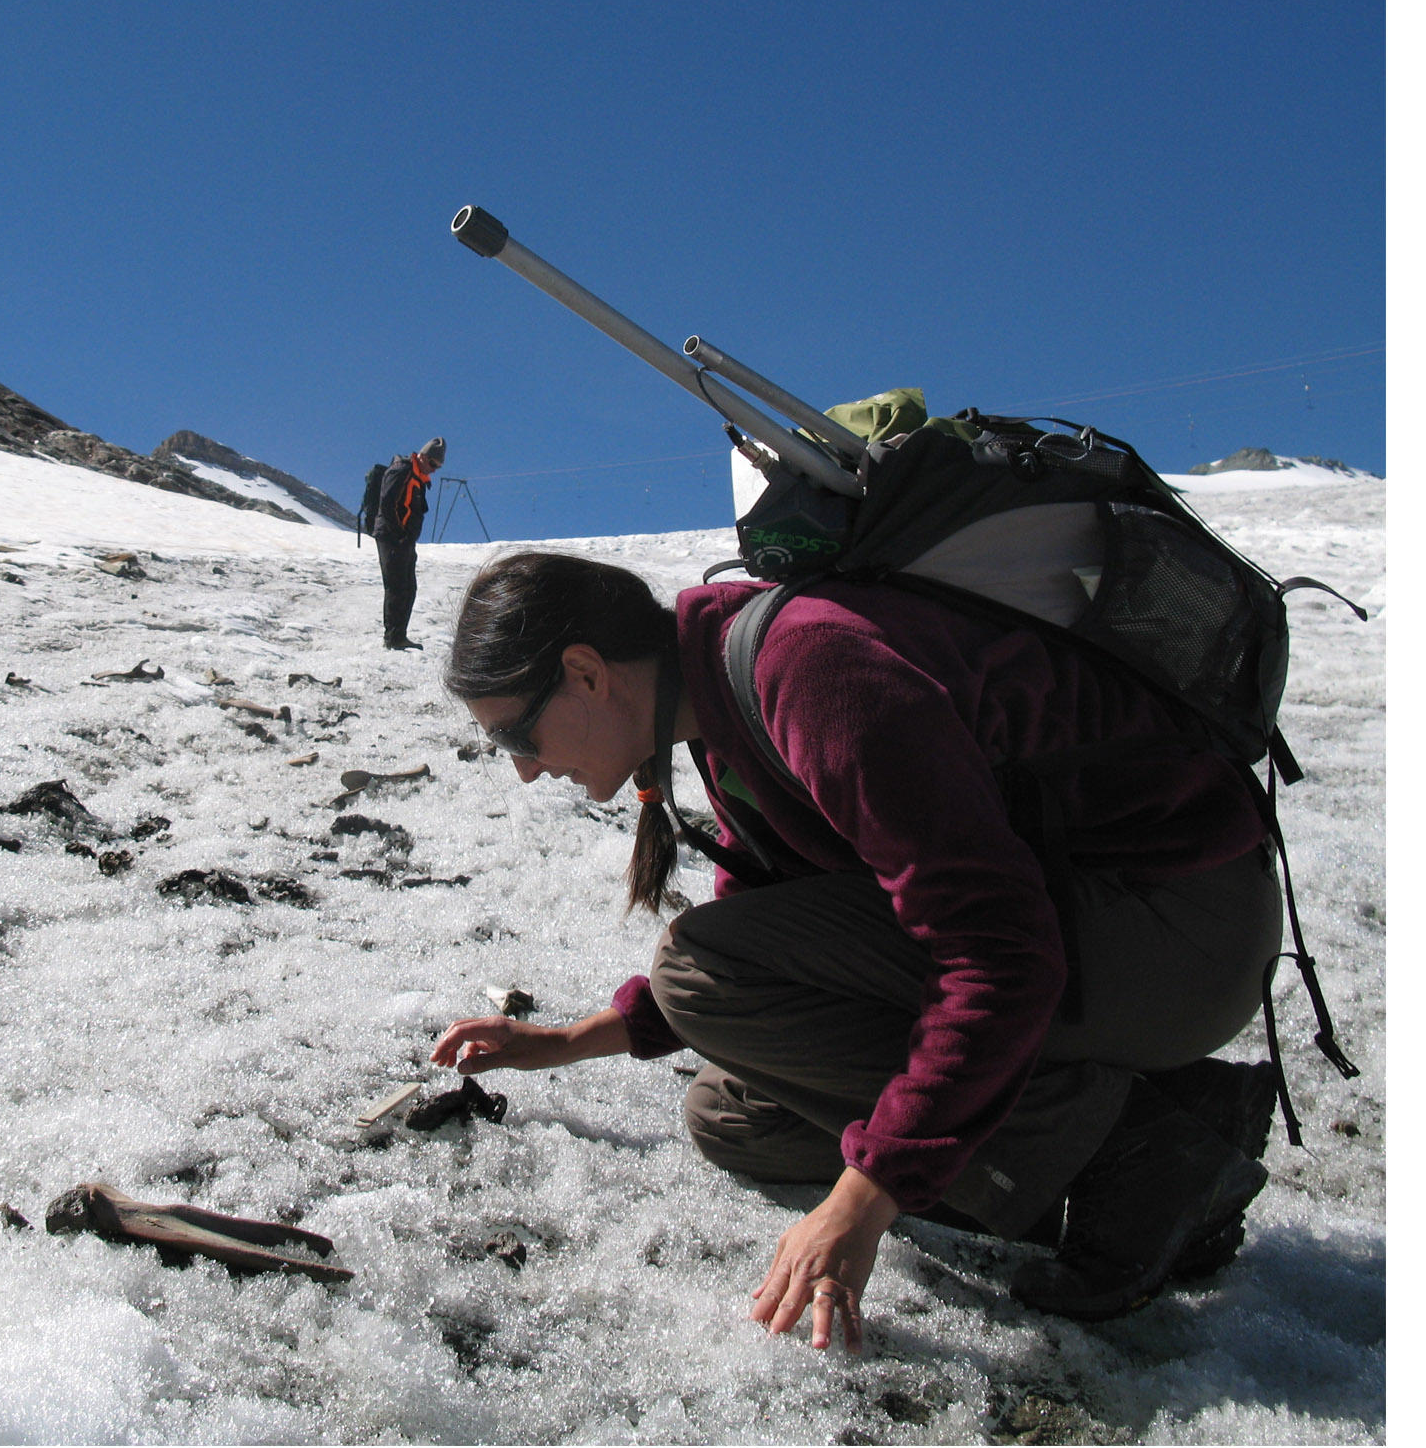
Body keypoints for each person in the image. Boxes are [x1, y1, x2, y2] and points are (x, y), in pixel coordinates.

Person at [430, 550, 1281, 1351]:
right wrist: (571, 1042)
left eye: (515, 737)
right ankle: (1160, 1116)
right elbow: (781, 916)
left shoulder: (813, 670)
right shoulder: (722, 704)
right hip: (1091, 927)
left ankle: (1139, 1152)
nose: (527, 772)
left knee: (701, 974)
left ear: (585, 673)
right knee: (735, 1119)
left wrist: (870, 1194)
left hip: (1179, 925)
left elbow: (998, 953)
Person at [371, 436, 445, 649]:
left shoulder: (419, 477)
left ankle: (399, 635)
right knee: (397, 587)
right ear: (422, 456)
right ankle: (393, 638)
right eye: (432, 464)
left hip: (403, 541)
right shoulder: (402, 470)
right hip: (392, 537)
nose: (434, 469)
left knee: (408, 588)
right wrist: (399, 535)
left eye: (438, 467)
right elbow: (387, 504)